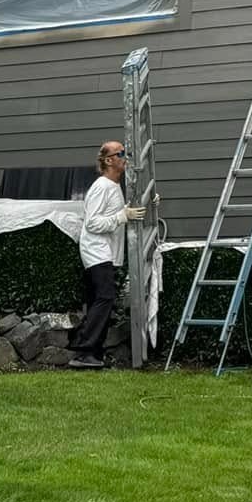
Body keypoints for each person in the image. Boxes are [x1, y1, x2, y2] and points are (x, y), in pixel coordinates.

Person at [68, 139, 144, 369]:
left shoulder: (114, 187)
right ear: (109, 161)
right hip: (96, 251)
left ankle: (92, 354)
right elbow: (92, 223)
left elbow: (118, 213)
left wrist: (147, 204)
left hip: (106, 252)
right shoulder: (102, 186)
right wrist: (122, 217)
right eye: (120, 153)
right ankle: (84, 351)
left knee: (98, 301)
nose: (125, 157)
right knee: (105, 297)